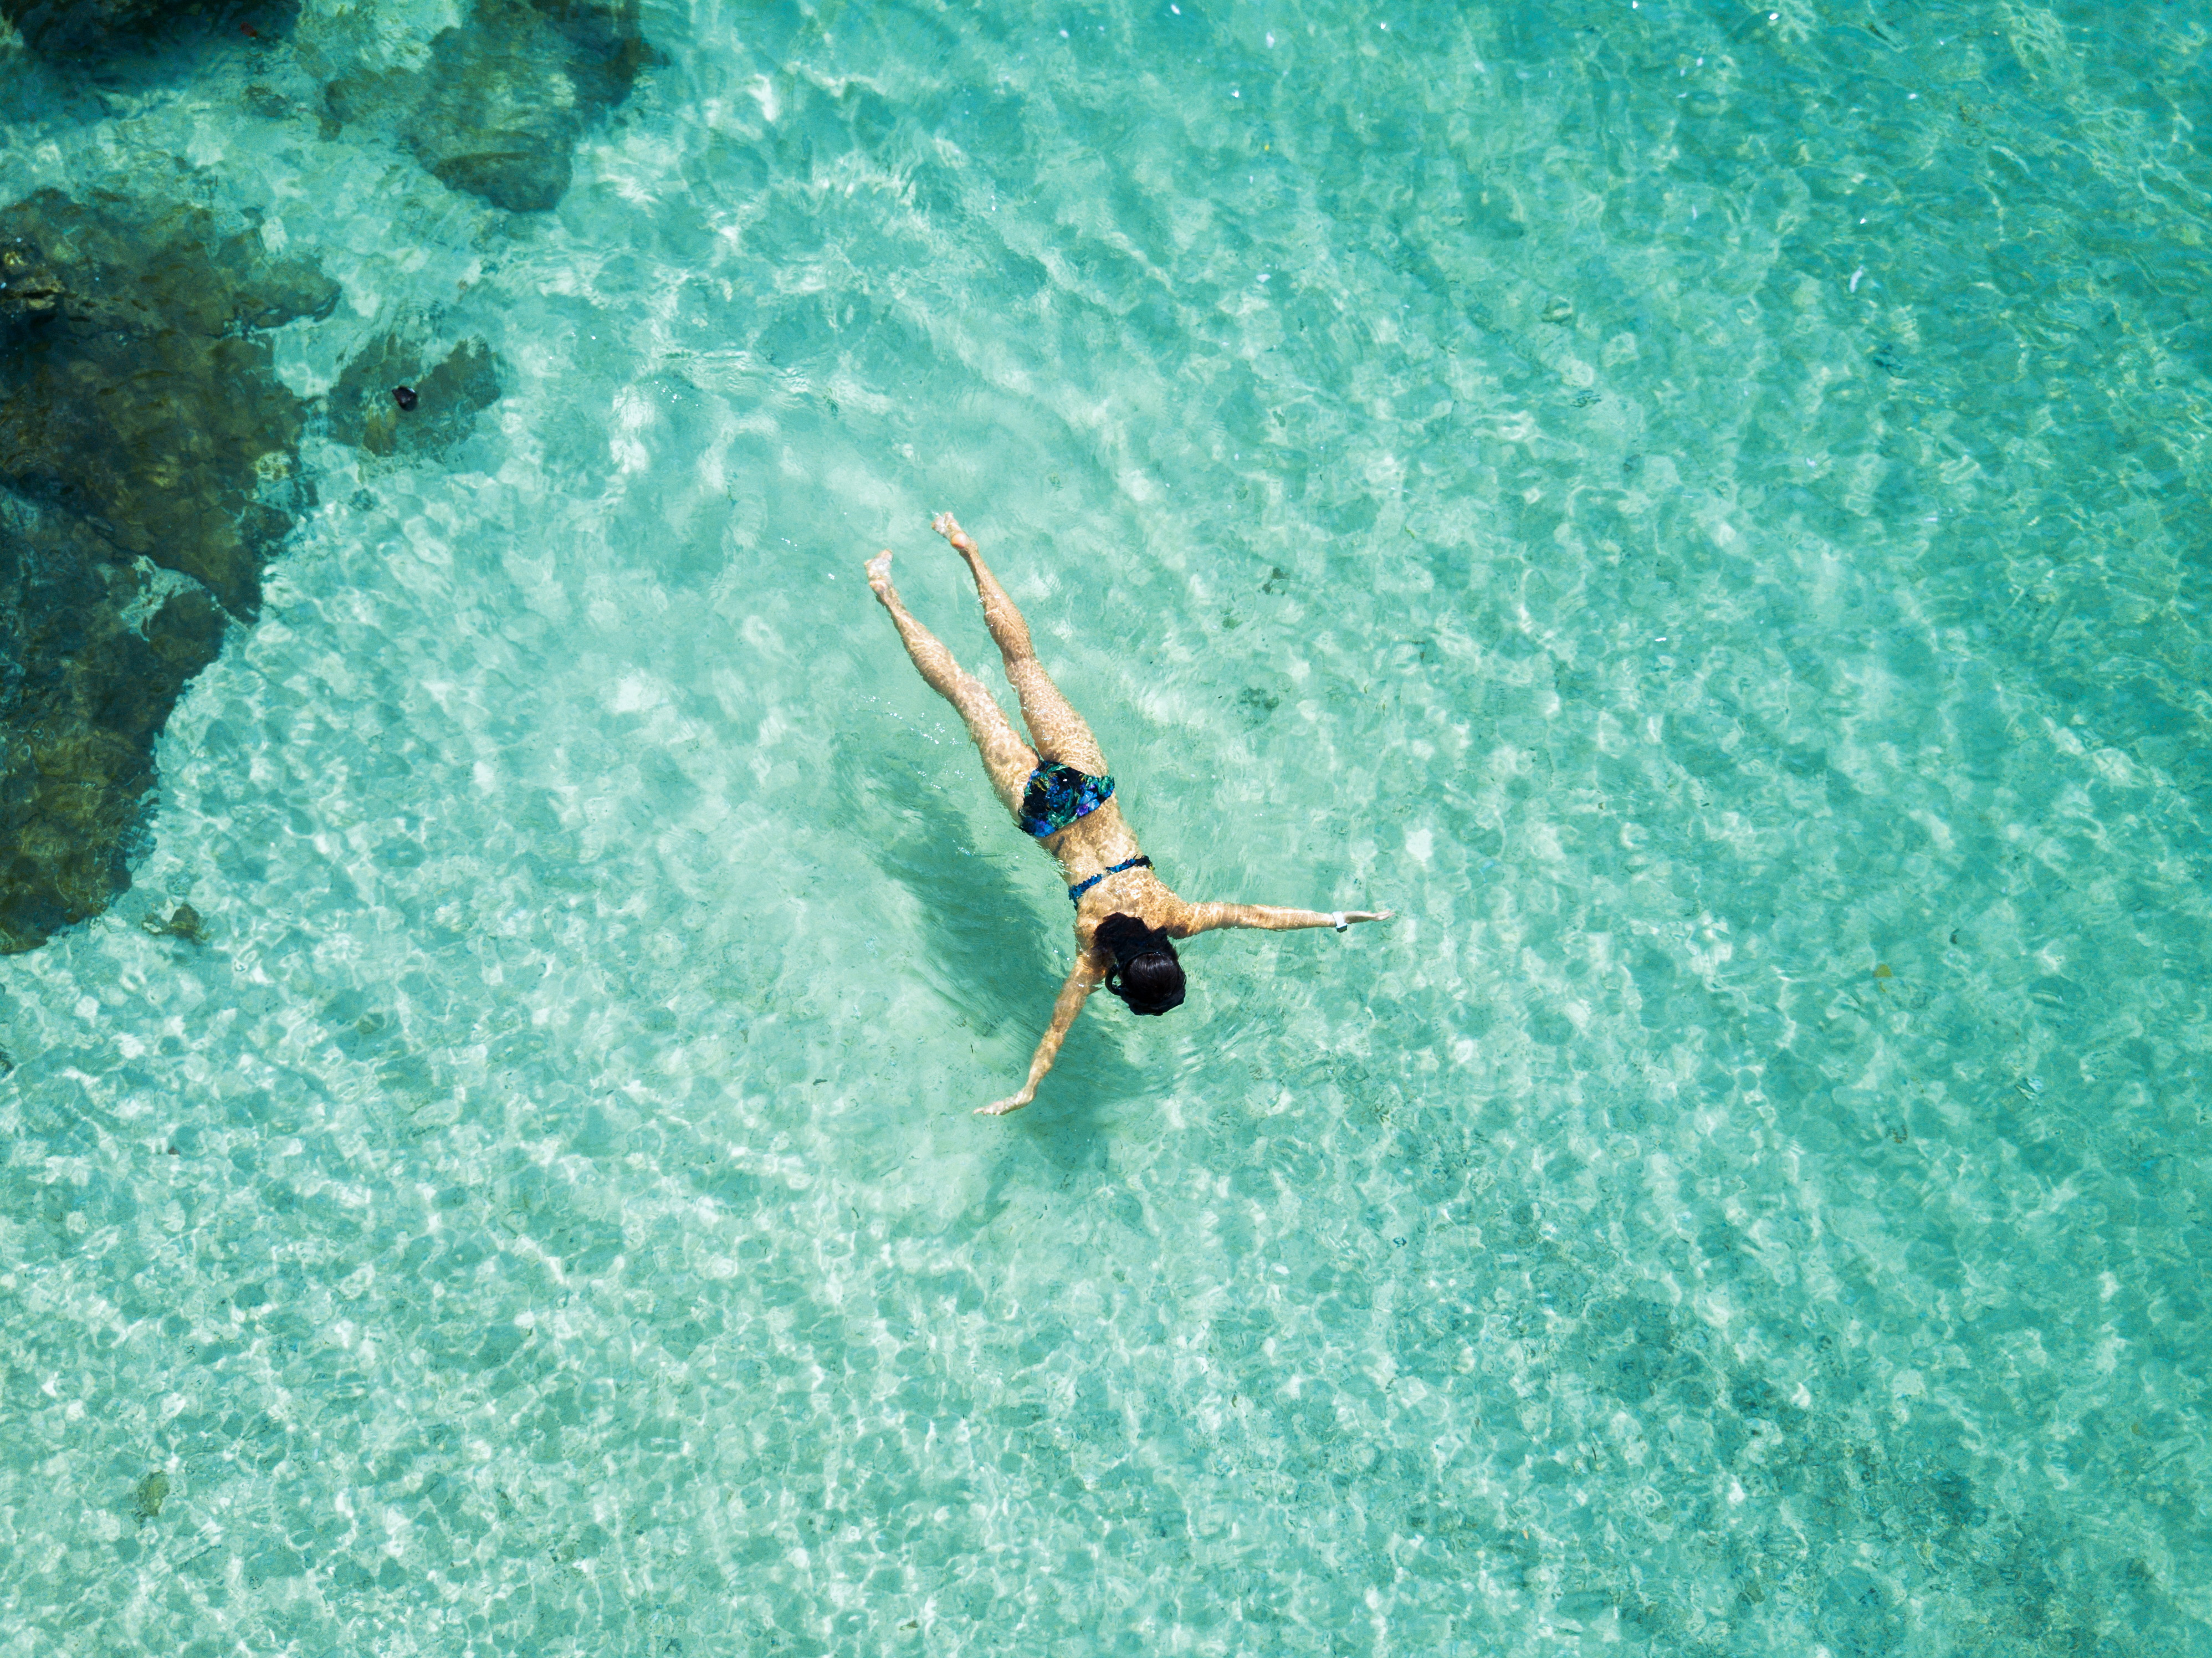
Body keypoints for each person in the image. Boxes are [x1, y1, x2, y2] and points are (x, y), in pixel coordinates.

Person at [866, 513, 1391, 1115]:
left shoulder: (1175, 914)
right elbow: (1056, 1029)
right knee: (966, 693)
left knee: (1022, 664)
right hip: (1042, 816)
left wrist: (1336, 917)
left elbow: (1254, 915)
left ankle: (969, 552)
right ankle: (887, 592)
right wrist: (1029, 1086)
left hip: (1090, 786)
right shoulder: (1093, 952)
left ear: (1167, 956)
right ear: (1120, 978)